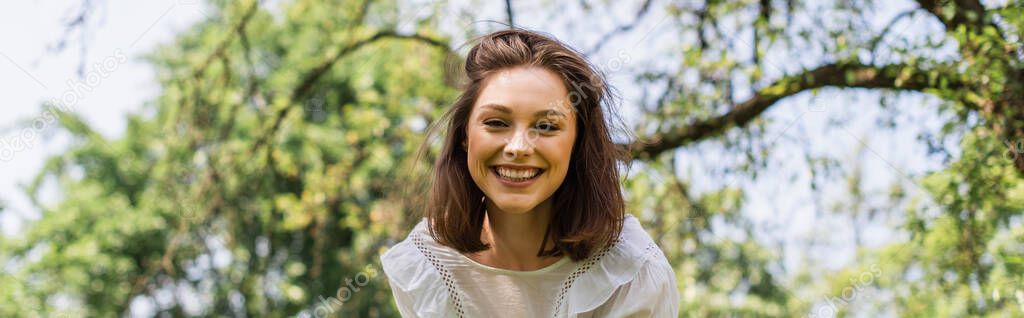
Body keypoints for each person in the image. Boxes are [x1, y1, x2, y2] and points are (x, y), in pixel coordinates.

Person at [381, 28, 678, 317]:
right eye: (496, 122)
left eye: (546, 126)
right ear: (464, 136)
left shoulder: (630, 273)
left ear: (576, 144)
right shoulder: (426, 268)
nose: (519, 147)